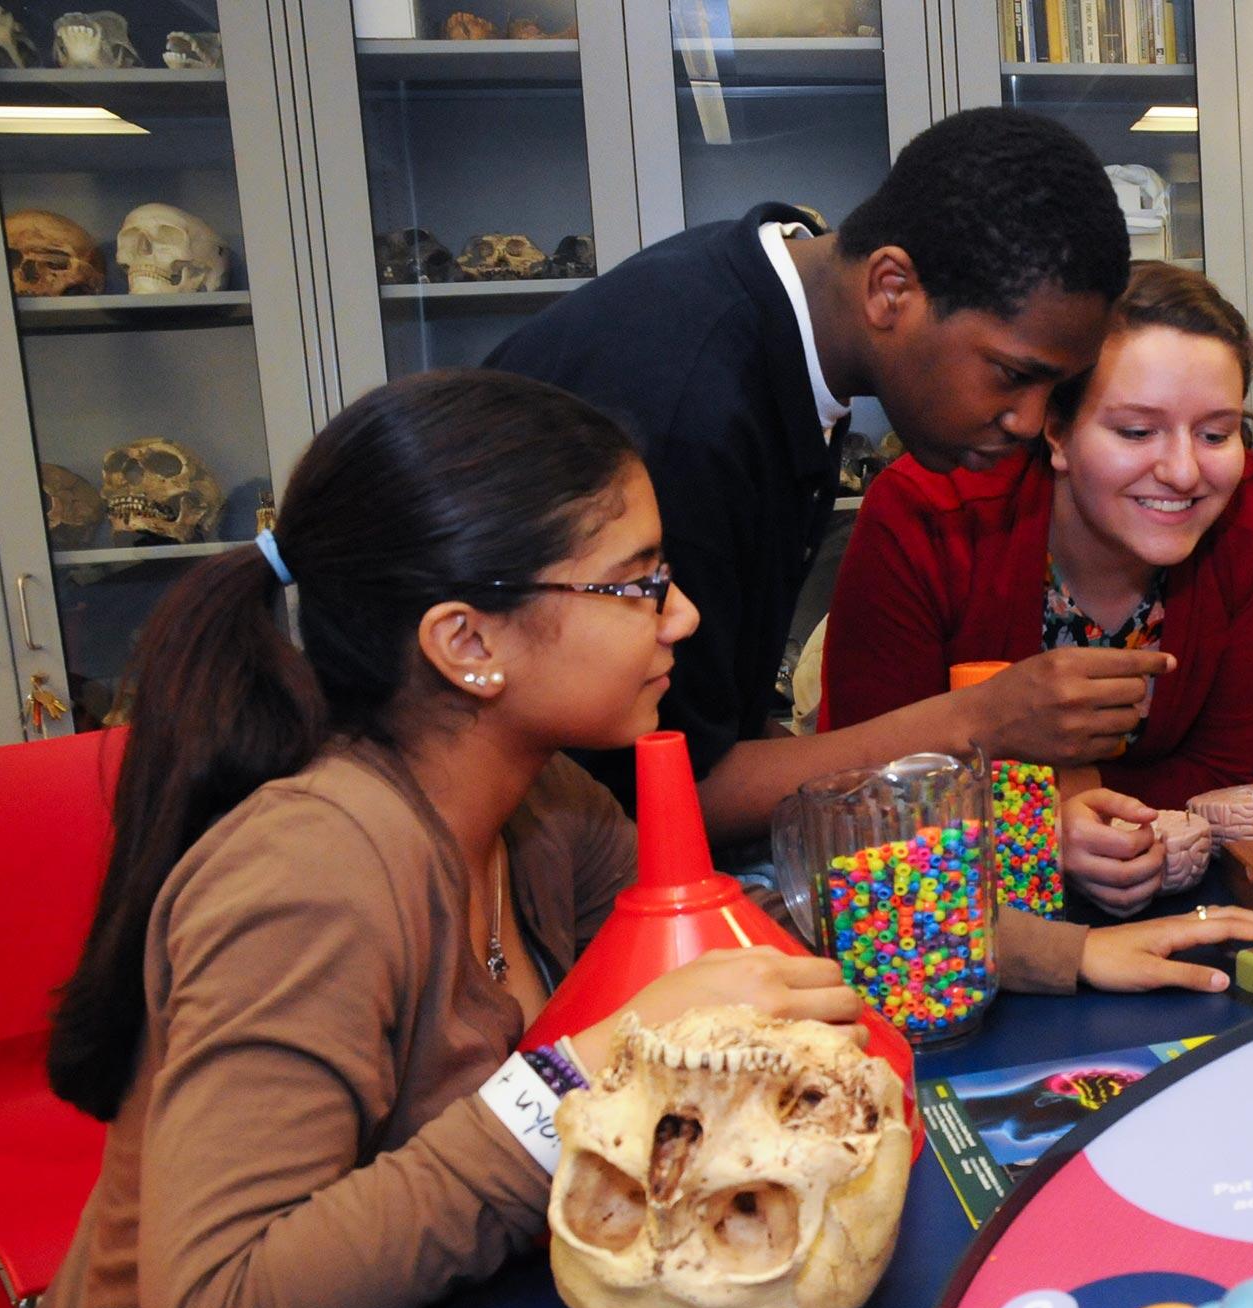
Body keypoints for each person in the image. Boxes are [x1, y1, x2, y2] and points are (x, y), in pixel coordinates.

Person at [0, 372, 1253, 1308]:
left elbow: (773, 929)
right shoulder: (313, 872)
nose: (682, 618)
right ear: (468, 643)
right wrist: (581, 1073)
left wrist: (1058, 953)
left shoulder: (540, 803)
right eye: (637, 585)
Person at [486, 108, 1169, 858]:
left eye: (1055, 390)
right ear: (890, 290)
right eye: (1012, 375)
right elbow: (660, 791)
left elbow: (725, 726)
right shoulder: (691, 414)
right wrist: (978, 721)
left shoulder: (782, 325)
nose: (1028, 420)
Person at [819, 263, 1253, 914]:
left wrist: (1066, 803)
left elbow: (1228, 767)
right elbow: (859, 791)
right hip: (938, 923)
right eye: (1135, 431)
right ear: (1056, 431)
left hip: (1180, 903)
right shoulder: (926, 516)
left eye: (1217, 433)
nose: (1185, 471)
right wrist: (1031, 833)